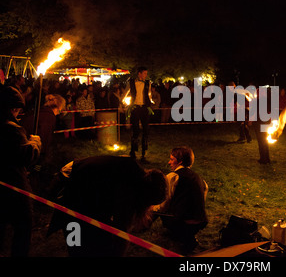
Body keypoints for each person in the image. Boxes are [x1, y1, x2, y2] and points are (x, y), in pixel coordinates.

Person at [47, 155, 167, 257]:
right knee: (76, 237)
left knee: (99, 238)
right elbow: (122, 229)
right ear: (146, 195)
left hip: (90, 191)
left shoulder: (136, 175)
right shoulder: (128, 186)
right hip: (72, 182)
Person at [0, 86, 41, 256]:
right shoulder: (12, 129)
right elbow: (25, 157)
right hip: (14, 187)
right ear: (13, 108)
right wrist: (35, 144)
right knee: (23, 227)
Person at [149, 146, 208, 254]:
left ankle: (141, 227)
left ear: (180, 161)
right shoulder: (199, 178)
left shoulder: (173, 176)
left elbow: (164, 204)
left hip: (181, 221)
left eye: (172, 159)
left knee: (155, 208)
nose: (169, 162)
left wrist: (152, 208)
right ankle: (188, 239)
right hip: (201, 220)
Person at [123, 67, 152, 161]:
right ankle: (133, 152)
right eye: (144, 73)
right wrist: (125, 103)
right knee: (135, 130)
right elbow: (125, 94)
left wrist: (150, 102)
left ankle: (144, 154)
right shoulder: (131, 82)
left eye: (146, 73)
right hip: (135, 107)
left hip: (144, 107)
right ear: (139, 73)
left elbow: (149, 94)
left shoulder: (148, 83)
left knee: (146, 131)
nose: (146, 75)